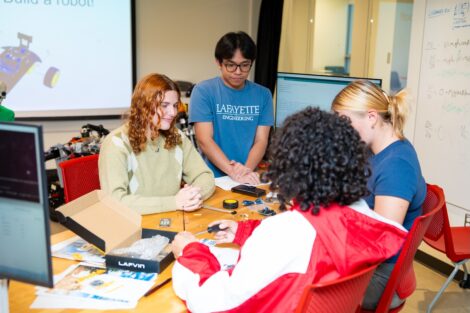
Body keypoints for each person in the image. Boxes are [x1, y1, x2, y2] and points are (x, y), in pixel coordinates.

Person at [171, 107, 408, 313]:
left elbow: (213, 304)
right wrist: (246, 232)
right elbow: (312, 238)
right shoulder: (361, 213)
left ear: (287, 167)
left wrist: (191, 253)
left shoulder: (284, 235)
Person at [331, 80, 427, 310]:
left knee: (295, 281)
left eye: (345, 122)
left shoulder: (397, 167)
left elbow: (379, 244)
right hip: (373, 264)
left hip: (380, 276)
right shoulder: (377, 150)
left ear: (372, 117)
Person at [99, 73, 215, 215]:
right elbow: (115, 202)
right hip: (136, 226)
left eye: (175, 105)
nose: (172, 112)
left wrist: (192, 197)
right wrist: (174, 202)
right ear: (144, 105)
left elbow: (205, 176)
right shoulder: (115, 143)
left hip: (173, 217)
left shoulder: (178, 137)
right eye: (164, 105)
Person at [189, 31, 274, 185]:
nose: (238, 72)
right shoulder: (203, 91)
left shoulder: (263, 95)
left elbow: (261, 140)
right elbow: (204, 140)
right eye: (231, 65)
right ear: (219, 62)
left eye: (244, 65)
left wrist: (245, 171)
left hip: (247, 175)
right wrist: (234, 172)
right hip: (211, 178)